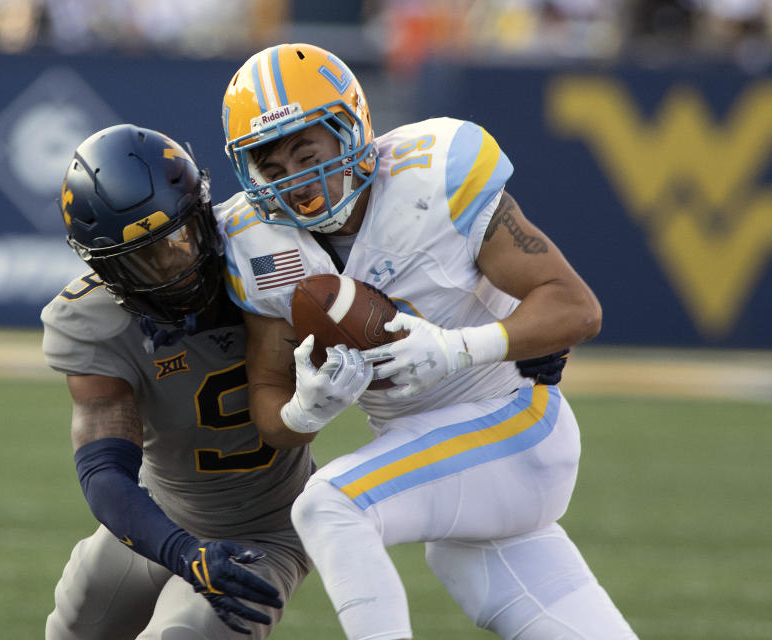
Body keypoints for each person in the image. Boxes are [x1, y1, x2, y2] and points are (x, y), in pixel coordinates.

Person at [218, 43, 638, 639]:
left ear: (350, 131)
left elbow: (576, 306)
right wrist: (304, 409)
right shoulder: (255, 241)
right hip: (449, 477)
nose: (295, 181)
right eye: (272, 167)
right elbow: (269, 406)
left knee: (331, 505)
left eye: (306, 152)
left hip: (513, 425)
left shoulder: (433, 175)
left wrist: (457, 348)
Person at [41, 123, 312, 639]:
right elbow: (104, 472)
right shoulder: (92, 320)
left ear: (204, 213)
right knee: (75, 625)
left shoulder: (269, 259)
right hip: (166, 513)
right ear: (107, 271)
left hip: (268, 529)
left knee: (182, 635)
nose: (176, 265)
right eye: (142, 259)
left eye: (181, 235)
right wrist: (182, 550)